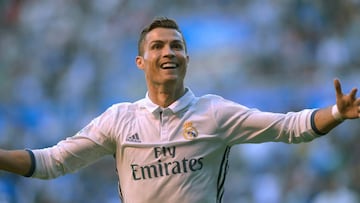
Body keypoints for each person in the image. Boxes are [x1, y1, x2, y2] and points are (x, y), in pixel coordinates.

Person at [0, 16, 359, 203]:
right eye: (157, 46)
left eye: (176, 45)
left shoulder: (215, 114)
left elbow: (288, 127)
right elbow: (50, 162)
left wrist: (337, 113)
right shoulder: (119, 119)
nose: (168, 52)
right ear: (141, 61)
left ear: (188, 57)